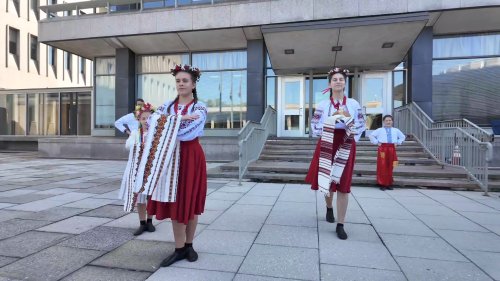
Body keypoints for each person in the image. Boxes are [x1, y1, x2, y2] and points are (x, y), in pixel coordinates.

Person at [146, 64, 208, 267]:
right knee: (174, 199)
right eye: (178, 81)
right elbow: (152, 123)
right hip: (170, 157)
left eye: (185, 81)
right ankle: (179, 247)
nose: (181, 84)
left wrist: (168, 122)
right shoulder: (167, 105)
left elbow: (188, 130)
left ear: (193, 84)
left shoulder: (200, 107)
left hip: (191, 155)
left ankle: (189, 245)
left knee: (189, 200)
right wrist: (179, 118)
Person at [305, 67, 366, 240]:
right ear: (330, 84)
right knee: (328, 180)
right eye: (335, 79)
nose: (338, 81)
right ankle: (329, 207)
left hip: (346, 142)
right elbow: (315, 126)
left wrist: (347, 119)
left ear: (345, 83)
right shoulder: (323, 105)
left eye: (341, 79)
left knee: (344, 184)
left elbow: (361, 125)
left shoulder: (353, 104)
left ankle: (341, 224)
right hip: (328, 142)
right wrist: (331, 122)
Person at [118, 102, 156, 235]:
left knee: (150, 195)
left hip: (151, 169)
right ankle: (142, 222)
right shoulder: (136, 133)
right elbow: (128, 146)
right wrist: (138, 143)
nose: (146, 121)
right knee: (140, 196)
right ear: (139, 120)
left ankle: (150, 220)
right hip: (138, 169)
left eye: (149, 118)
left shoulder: (156, 134)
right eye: (144, 118)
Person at [369, 115, 405, 190]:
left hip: (392, 149)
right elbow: (371, 135)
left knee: (391, 165)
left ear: (392, 121)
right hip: (383, 149)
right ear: (384, 121)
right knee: (382, 165)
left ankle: (389, 183)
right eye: (386, 120)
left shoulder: (396, 130)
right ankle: (382, 183)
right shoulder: (380, 130)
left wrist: (398, 142)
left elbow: (402, 137)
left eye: (390, 120)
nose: (388, 122)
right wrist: (376, 142)